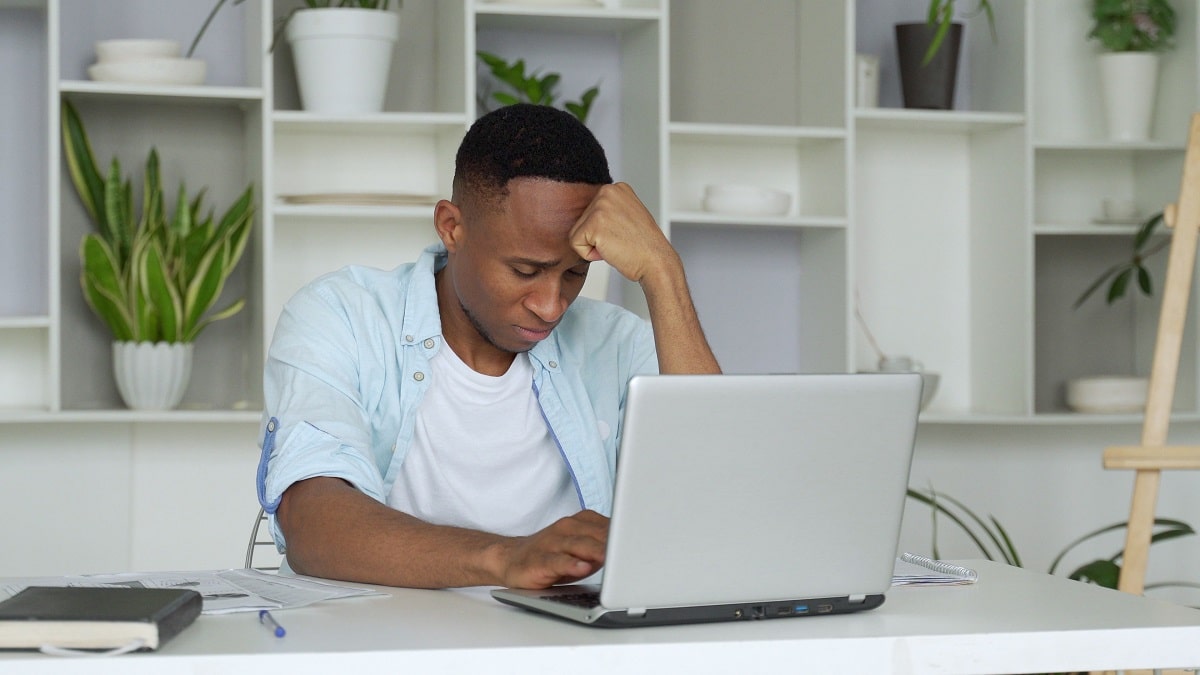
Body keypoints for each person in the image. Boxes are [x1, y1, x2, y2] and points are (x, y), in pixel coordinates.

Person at [256, 103, 720, 590]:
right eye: (524, 271)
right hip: (379, 645)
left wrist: (663, 273)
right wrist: (507, 558)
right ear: (451, 227)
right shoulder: (341, 317)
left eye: (575, 273)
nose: (550, 305)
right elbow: (312, 522)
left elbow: (717, 486)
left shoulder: (618, 343)